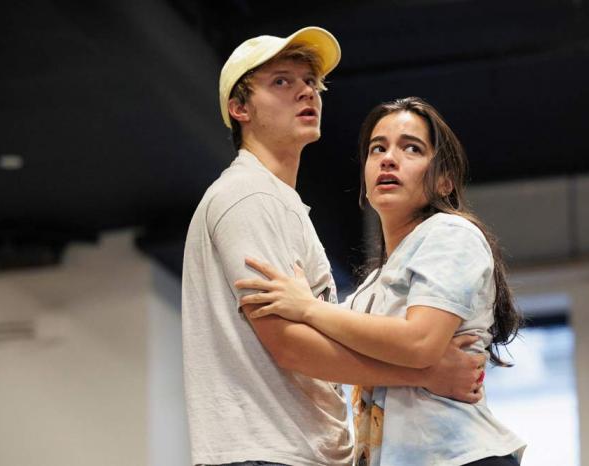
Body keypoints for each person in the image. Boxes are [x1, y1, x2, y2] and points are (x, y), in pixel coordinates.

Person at [182, 28, 487, 466]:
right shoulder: (249, 196)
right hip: (269, 451)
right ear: (239, 108)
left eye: (311, 82)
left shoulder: (281, 203)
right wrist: (426, 374)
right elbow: (288, 345)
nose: (306, 91)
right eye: (282, 81)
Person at [235, 97, 527, 465]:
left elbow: (420, 341)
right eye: (378, 148)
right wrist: (430, 374)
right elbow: (323, 360)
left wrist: (308, 308)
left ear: (443, 180)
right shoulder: (366, 292)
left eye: (411, 148)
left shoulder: (451, 233)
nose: (389, 158)